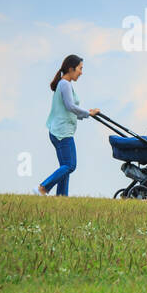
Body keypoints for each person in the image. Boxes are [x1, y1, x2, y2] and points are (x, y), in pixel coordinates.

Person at [39, 54, 99, 196]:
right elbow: (70, 106)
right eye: (80, 68)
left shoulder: (65, 84)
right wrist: (88, 113)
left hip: (59, 131)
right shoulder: (64, 84)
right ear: (71, 69)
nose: (81, 72)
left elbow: (70, 109)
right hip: (62, 132)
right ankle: (43, 187)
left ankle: (61, 197)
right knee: (70, 165)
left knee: (65, 166)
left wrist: (86, 113)